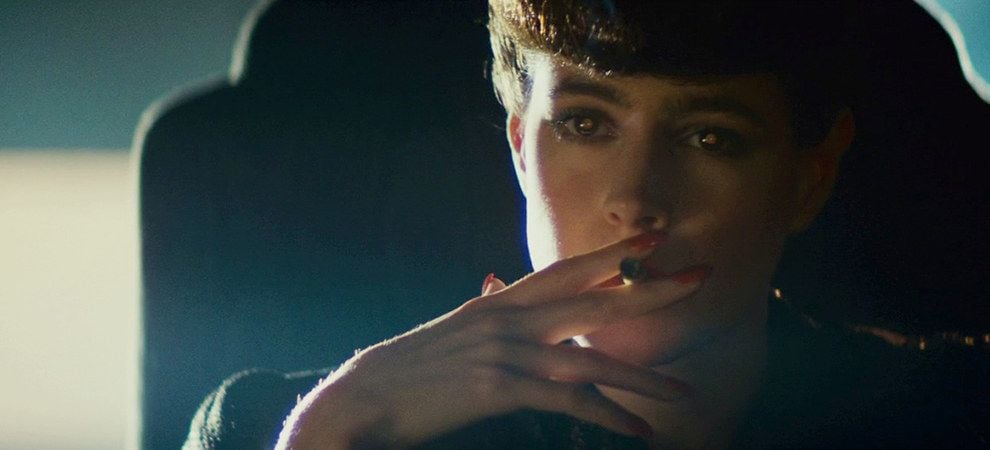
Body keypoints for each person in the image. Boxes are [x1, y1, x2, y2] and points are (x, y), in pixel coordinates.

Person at [184, 1, 988, 449]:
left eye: (710, 138)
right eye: (586, 125)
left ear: (808, 178)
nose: (635, 200)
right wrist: (329, 432)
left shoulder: (955, 413)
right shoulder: (276, 426)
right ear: (519, 146)